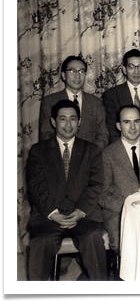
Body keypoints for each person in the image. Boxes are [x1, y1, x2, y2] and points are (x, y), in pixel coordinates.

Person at [26, 99, 107, 281]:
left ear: (79, 122)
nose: (68, 124)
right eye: (62, 119)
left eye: (73, 119)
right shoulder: (38, 151)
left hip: (83, 216)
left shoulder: (91, 150)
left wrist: (80, 212)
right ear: (54, 122)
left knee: (94, 239)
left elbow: (96, 185)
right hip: (49, 217)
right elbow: (36, 187)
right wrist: (52, 214)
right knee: (41, 244)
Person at [99, 105, 140, 254]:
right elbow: (103, 194)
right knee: (125, 242)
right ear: (118, 126)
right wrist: (127, 206)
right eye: (127, 122)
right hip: (119, 210)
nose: (133, 127)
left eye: (136, 121)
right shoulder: (108, 154)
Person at [39, 55, 109, 152]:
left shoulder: (96, 103)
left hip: (89, 160)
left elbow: (102, 135)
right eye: (72, 71)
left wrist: (89, 155)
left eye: (81, 71)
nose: (77, 76)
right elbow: (46, 135)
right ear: (63, 75)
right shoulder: (49, 101)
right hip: (59, 159)